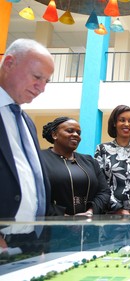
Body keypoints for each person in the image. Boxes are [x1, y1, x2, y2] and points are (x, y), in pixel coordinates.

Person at [0, 39, 54, 252]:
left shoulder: (26, 120)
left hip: (29, 242)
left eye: (46, 81)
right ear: (9, 63)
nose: (41, 88)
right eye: (37, 77)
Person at [40, 117, 111, 216]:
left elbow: (104, 192)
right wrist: (64, 217)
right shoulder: (39, 159)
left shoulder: (90, 161)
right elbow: (35, 194)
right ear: (54, 134)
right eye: (70, 131)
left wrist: (90, 212)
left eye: (78, 133)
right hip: (53, 225)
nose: (76, 135)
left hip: (88, 225)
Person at [95, 105, 130, 215]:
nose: (127, 124)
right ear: (114, 123)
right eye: (122, 120)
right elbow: (100, 183)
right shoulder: (102, 149)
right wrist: (118, 209)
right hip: (112, 213)